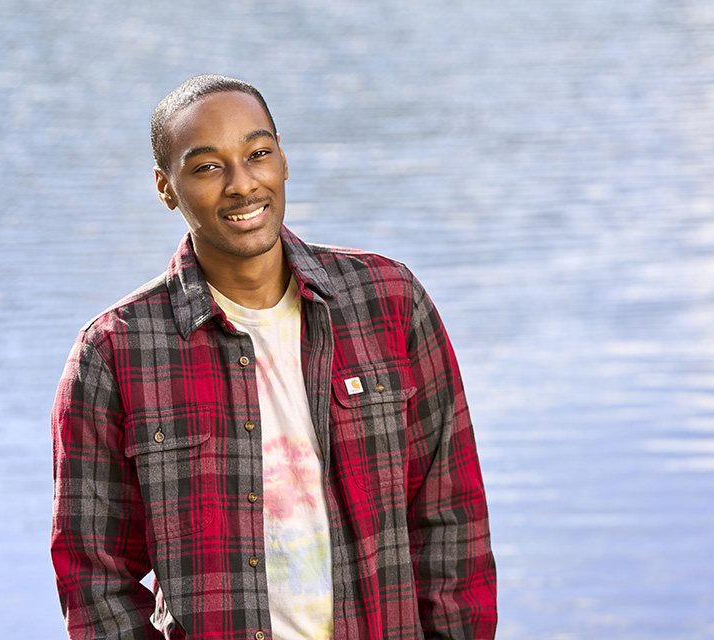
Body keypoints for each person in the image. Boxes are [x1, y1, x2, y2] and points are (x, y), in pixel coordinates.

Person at [51, 74, 497, 640]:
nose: (242, 184)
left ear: (283, 160)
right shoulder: (115, 353)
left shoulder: (389, 301)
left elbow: (451, 516)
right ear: (166, 188)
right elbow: (94, 577)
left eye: (258, 154)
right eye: (208, 166)